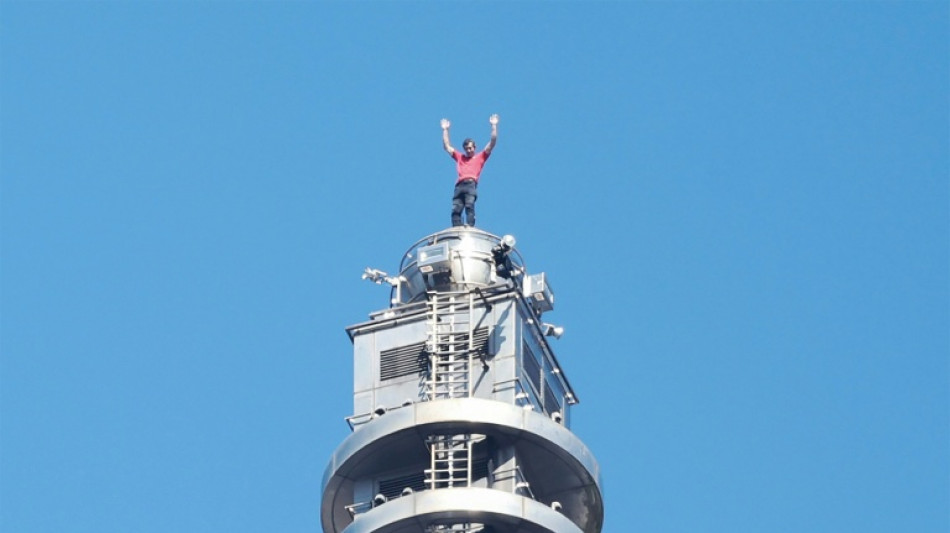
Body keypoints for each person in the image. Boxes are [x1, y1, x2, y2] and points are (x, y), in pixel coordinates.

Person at [441, 114, 498, 227]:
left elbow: (492, 143)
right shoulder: (460, 157)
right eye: (467, 148)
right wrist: (445, 130)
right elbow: (447, 146)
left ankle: (470, 225)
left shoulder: (480, 157)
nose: (469, 150)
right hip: (459, 185)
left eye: (471, 148)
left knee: (469, 205)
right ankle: (456, 229)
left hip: (471, 184)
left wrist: (494, 125)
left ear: (475, 147)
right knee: (456, 209)